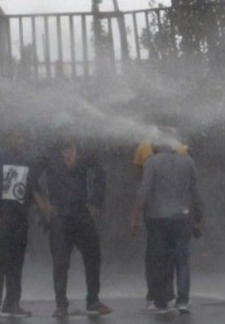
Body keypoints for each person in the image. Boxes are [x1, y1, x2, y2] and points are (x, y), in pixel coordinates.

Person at [36, 133, 112, 317]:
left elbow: (101, 172)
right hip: (60, 215)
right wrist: (42, 203)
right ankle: (61, 304)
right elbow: (31, 178)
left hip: (80, 213)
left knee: (93, 255)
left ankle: (93, 300)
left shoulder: (84, 154)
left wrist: (95, 202)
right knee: (61, 261)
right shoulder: (49, 156)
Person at [130, 139, 203, 314]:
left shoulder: (152, 163)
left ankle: (161, 303)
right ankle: (183, 300)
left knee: (160, 260)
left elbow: (144, 190)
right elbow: (195, 191)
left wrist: (135, 215)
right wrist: (198, 217)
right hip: (181, 217)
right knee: (182, 260)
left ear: (156, 148)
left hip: (157, 218)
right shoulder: (188, 161)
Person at [0, 130, 39, 321]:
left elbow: (30, 188)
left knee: (16, 262)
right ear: (8, 137)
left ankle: (12, 303)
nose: (20, 140)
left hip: (19, 218)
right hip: (1, 218)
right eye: (17, 136)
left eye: (22, 137)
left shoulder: (25, 159)